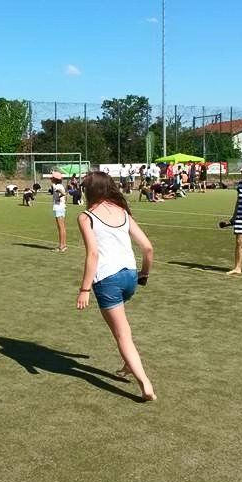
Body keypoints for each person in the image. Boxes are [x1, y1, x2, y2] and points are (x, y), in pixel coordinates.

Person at [75, 171, 156, 402]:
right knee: (122, 327)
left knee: (122, 334)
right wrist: (144, 274)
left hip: (107, 280)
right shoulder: (123, 211)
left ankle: (145, 384)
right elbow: (148, 248)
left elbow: (93, 254)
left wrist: (84, 289)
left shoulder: (86, 217)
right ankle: (129, 363)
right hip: (130, 277)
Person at [51, 171, 67, 252]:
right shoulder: (59, 185)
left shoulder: (57, 186)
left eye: (52, 177)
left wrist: (61, 195)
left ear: (55, 179)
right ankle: (64, 245)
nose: (50, 178)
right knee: (62, 227)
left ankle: (61, 246)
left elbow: (63, 193)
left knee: (60, 227)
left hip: (58, 208)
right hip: (62, 207)